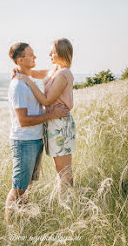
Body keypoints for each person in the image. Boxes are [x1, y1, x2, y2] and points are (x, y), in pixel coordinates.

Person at [5, 42, 69, 223]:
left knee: (27, 186)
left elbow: (50, 71)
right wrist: (52, 115)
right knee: (18, 188)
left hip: (35, 140)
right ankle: (9, 228)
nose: (35, 57)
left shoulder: (28, 79)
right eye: (31, 55)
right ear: (20, 59)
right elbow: (23, 120)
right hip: (24, 142)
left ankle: (22, 223)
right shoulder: (18, 86)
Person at [15, 38, 76, 192]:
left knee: (64, 171)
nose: (49, 54)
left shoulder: (64, 74)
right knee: (60, 169)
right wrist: (17, 70)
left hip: (60, 123)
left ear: (61, 53)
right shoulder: (54, 71)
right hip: (53, 123)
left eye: (52, 52)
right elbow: (32, 73)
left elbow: (47, 100)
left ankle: (70, 204)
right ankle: (66, 202)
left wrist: (28, 82)